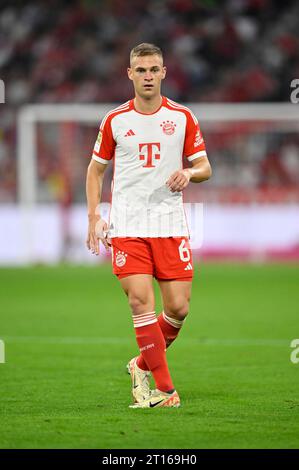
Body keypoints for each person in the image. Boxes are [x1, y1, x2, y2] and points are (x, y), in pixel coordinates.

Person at [86, 43, 212, 408]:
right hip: (127, 227)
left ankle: (140, 364)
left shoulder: (183, 117)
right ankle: (165, 391)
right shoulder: (115, 120)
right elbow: (95, 171)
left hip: (170, 225)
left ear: (164, 73)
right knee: (141, 301)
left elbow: (205, 167)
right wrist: (95, 216)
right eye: (140, 70)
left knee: (179, 308)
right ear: (129, 74)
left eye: (153, 70)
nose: (147, 76)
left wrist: (189, 172)